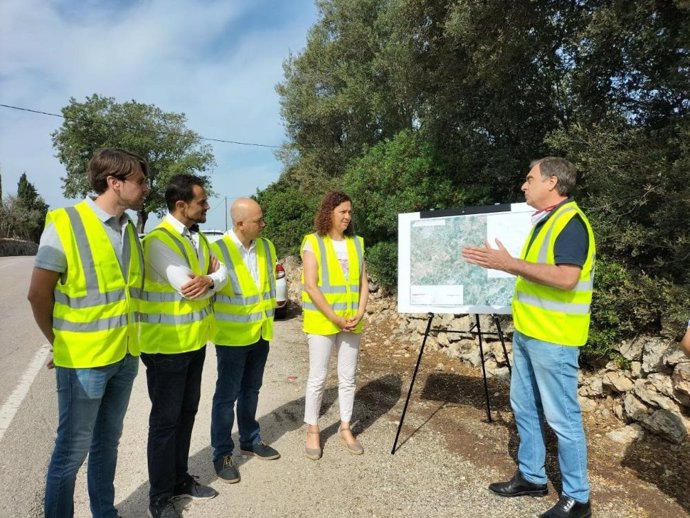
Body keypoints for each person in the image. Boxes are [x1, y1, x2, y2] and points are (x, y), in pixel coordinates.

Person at [462, 157, 595, 518]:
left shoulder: (570, 223)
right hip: (530, 333)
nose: (524, 185)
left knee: (563, 419)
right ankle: (533, 477)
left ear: (552, 183)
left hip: (554, 339)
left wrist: (509, 264)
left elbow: (566, 278)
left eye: (529, 178)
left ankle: (578, 499)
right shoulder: (547, 221)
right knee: (523, 406)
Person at [27, 148, 149, 518]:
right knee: (71, 452)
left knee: (107, 444)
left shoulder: (129, 229)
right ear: (114, 182)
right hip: (84, 363)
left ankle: (104, 512)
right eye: (140, 181)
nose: (146, 188)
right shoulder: (66, 222)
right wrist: (59, 343)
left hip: (125, 356)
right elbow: (37, 294)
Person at [139, 174, 228, 518]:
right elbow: (188, 286)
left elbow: (224, 276)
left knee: (187, 414)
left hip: (193, 343)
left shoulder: (198, 239)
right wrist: (210, 279)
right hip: (165, 348)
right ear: (181, 205)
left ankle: (178, 479)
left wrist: (215, 278)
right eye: (202, 202)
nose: (207, 206)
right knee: (165, 423)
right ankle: (160, 496)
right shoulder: (158, 242)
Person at [209, 197, 281, 483]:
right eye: (258, 220)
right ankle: (222, 453)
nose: (263, 223)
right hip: (231, 337)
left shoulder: (266, 246)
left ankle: (250, 439)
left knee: (252, 390)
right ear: (239, 224)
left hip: (260, 333)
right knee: (226, 398)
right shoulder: (216, 250)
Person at [301, 191, 369, 460]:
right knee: (318, 377)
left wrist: (360, 313)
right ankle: (313, 429)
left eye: (350, 212)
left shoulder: (357, 243)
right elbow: (310, 285)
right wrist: (335, 318)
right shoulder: (312, 242)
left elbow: (364, 283)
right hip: (322, 321)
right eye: (342, 211)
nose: (347, 216)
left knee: (348, 377)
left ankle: (345, 427)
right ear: (329, 212)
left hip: (352, 321)